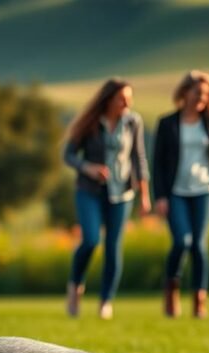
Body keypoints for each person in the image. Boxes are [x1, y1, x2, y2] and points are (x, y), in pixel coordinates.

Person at [152, 70, 209, 318]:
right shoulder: (167, 123)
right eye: (198, 93)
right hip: (176, 192)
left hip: (204, 190)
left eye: (206, 94)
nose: (202, 98)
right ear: (186, 93)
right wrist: (160, 196)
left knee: (199, 246)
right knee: (182, 241)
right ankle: (171, 290)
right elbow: (157, 163)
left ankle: (199, 300)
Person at [63, 78, 151, 320]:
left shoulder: (133, 121)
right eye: (122, 99)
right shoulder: (90, 122)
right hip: (89, 190)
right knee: (91, 240)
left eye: (129, 99)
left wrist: (145, 195)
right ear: (109, 99)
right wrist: (88, 168)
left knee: (113, 247)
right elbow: (68, 155)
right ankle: (75, 288)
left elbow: (139, 158)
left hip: (121, 193)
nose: (127, 104)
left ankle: (105, 302)